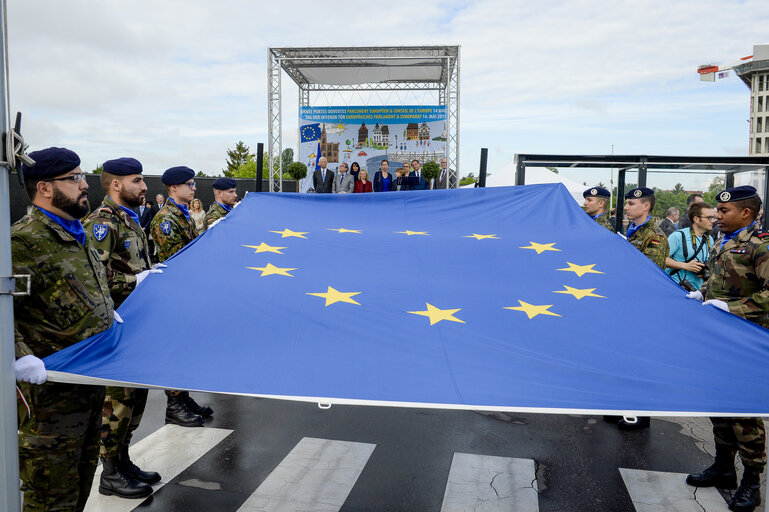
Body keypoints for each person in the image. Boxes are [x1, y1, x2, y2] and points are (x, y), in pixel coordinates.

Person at [12, 147, 116, 511]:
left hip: (87, 388)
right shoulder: (23, 241)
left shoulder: (77, 231)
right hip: (49, 404)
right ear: (44, 187)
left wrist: (108, 313)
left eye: (82, 176)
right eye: (74, 179)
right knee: (49, 500)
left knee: (78, 490)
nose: (84, 185)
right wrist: (19, 357)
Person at [83, 157, 162, 499]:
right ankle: (109, 471)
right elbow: (95, 277)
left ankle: (122, 458)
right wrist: (137, 279)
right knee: (118, 401)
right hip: (113, 327)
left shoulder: (128, 221)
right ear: (116, 184)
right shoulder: (102, 223)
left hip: (135, 324)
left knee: (135, 397)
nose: (144, 187)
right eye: (137, 180)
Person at [685, 186, 768, 512]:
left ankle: (752, 480)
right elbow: (716, 277)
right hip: (717, 340)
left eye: (724, 211)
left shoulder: (760, 246)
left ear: (745, 213)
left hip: (745, 343)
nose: (717, 216)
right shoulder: (723, 241)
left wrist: (731, 308)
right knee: (719, 407)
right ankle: (723, 468)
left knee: (743, 413)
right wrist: (703, 293)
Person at [150, 166, 213, 426]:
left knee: (186, 347)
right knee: (175, 349)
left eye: (194, 183)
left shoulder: (183, 215)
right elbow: (176, 261)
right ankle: (174, 404)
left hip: (187, 292)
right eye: (189, 183)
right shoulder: (166, 219)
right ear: (173, 188)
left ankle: (183, 397)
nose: (194, 187)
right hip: (175, 295)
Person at [609, 187, 669, 431]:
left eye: (632, 203)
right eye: (627, 203)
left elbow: (648, 273)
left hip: (642, 309)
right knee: (623, 359)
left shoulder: (654, 235)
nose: (626, 207)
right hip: (624, 305)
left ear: (646, 206)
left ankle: (640, 413)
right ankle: (624, 405)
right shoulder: (631, 231)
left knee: (640, 362)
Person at [665, 202, 715, 292]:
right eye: (709, 218)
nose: (712, 221)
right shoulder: (678, 236)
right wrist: (685, 266)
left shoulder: (709, 239)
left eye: (713, 217)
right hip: (676, 288)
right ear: (696, 219)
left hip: (699, 291)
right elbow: (663, 259)